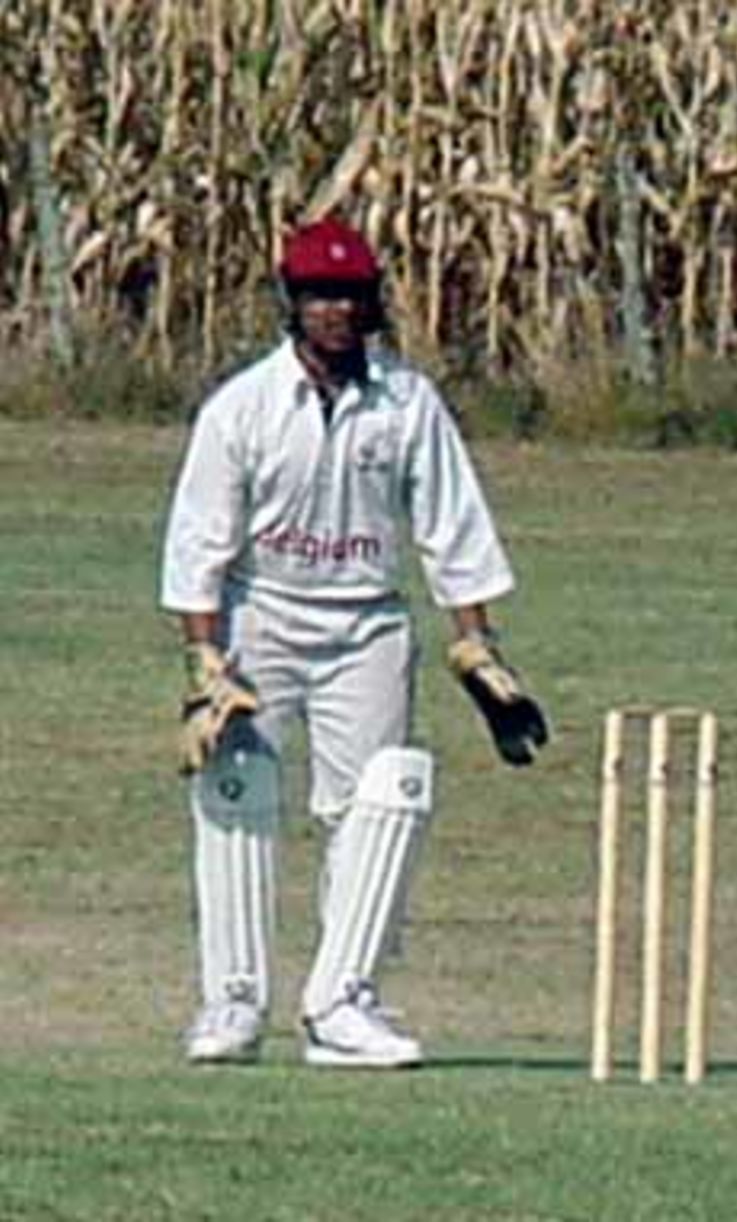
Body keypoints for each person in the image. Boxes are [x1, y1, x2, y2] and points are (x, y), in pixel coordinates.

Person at [160, 215, 548, 1069]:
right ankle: (232, 1002)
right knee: (238, 789)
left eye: (349, 296)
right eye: (318, 296)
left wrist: (478, 650)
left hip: (367, 623)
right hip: (262, 613)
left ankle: (342, 1002)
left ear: (372, 305)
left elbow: (452, 527)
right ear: (291, 305)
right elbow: (200, 543)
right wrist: (204, 662)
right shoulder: (244, 408)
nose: (335, 311)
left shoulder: (407, 404)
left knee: (381, 799)